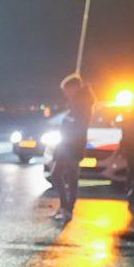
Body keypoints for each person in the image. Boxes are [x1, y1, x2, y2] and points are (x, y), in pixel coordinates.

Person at [51, 73, 95, 223]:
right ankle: (66, 207)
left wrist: (68, 137)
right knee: (64, 175)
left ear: (74, 88)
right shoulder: (78, 102)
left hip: (71, 145)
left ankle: (67, 208)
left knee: (66, 175)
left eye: (66, 90)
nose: (65, 93)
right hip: (68, 144)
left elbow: (78, 125)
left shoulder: (81, 103)